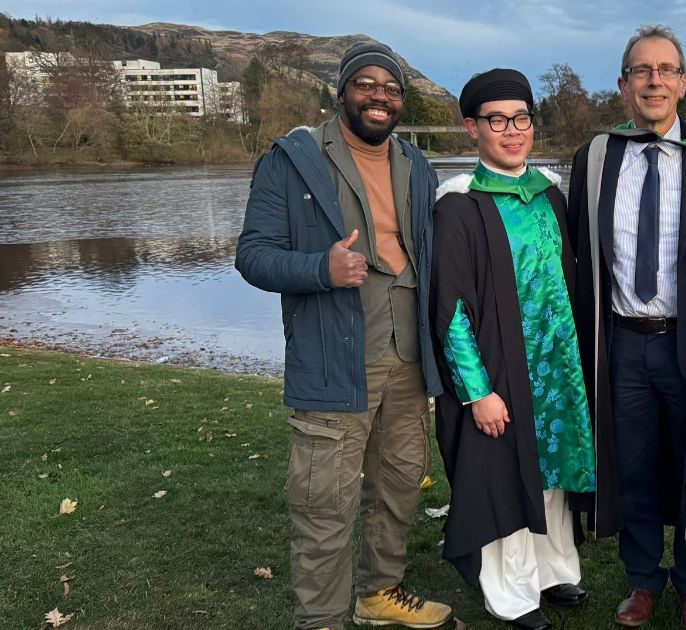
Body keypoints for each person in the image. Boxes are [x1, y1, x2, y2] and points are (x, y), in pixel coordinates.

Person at [235, 42, 453, 630]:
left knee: (402, 479)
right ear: (342, 91)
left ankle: (378, 592)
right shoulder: (293, 158)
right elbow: (252, 256)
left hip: (408, 356)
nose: (380, 96)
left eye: (392, 87)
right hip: (334, 356)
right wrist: (319, 270)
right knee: (323, 499)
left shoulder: (417, 164)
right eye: (367, 83)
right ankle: (323, 619)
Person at [566, 24, 686, 630]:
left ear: (684, 83)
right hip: (620, 341)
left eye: (666, 70)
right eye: (641, 71)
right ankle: (643, 579)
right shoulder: (594, 158)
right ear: (623, 85)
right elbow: (574, 254)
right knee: (633, 463)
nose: (654, 81)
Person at [430, 68, 602, 630]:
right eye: (497, 120)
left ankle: (555, 568)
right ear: (471, 127)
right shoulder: (461, 205)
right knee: (506, 476)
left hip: (557, 364)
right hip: (501, 367)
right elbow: (451, 312)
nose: (512, 130)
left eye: (521, 118)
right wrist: (477, 391)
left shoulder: (550, 194)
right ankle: (511, 591)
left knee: (552, 469)